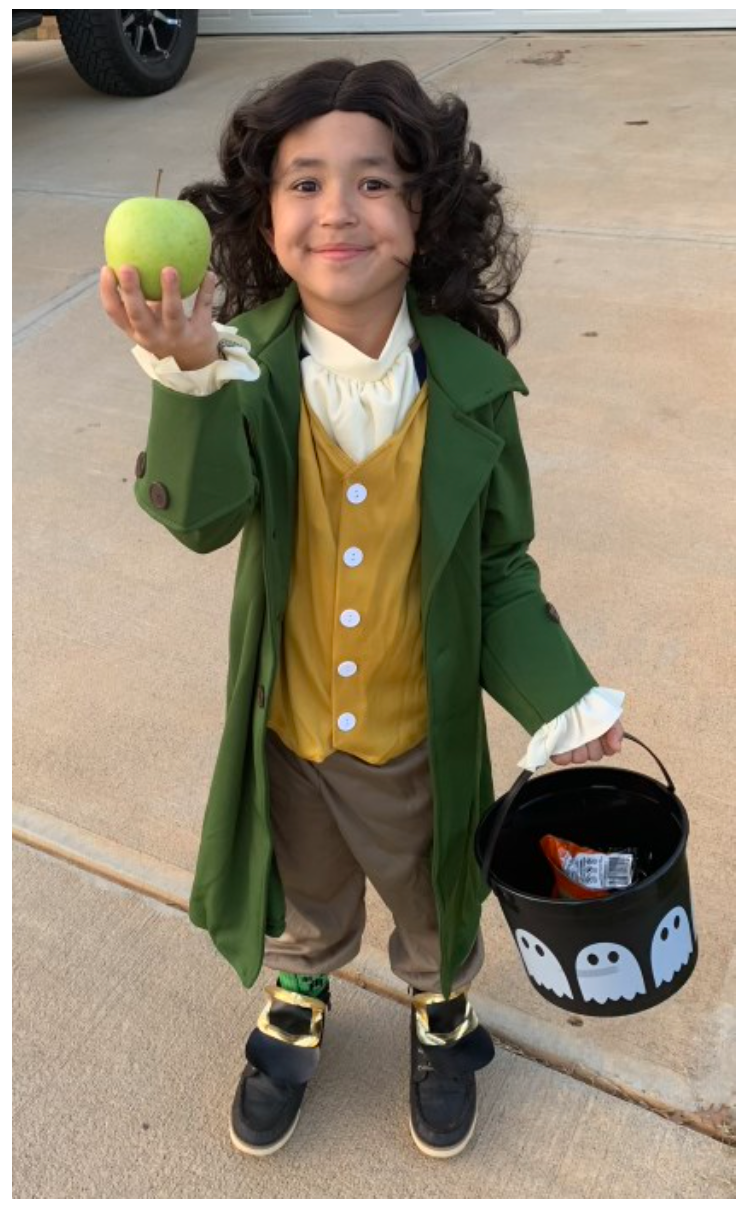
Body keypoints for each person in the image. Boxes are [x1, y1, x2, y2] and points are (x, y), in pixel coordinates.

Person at [100, 57, 625, 1161]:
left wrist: (563, 699)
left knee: (434, 892)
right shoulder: (241, 372)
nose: (337, 208)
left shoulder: (472, 389)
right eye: (303, 182)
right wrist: (183, 376)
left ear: (425, 212)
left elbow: (497, 570)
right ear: (262, 215)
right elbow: (198, 519)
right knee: (308, 886)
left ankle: (440, 1011)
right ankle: (299, 992)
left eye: (374, 182)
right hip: (292, 730)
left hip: (416, 739)